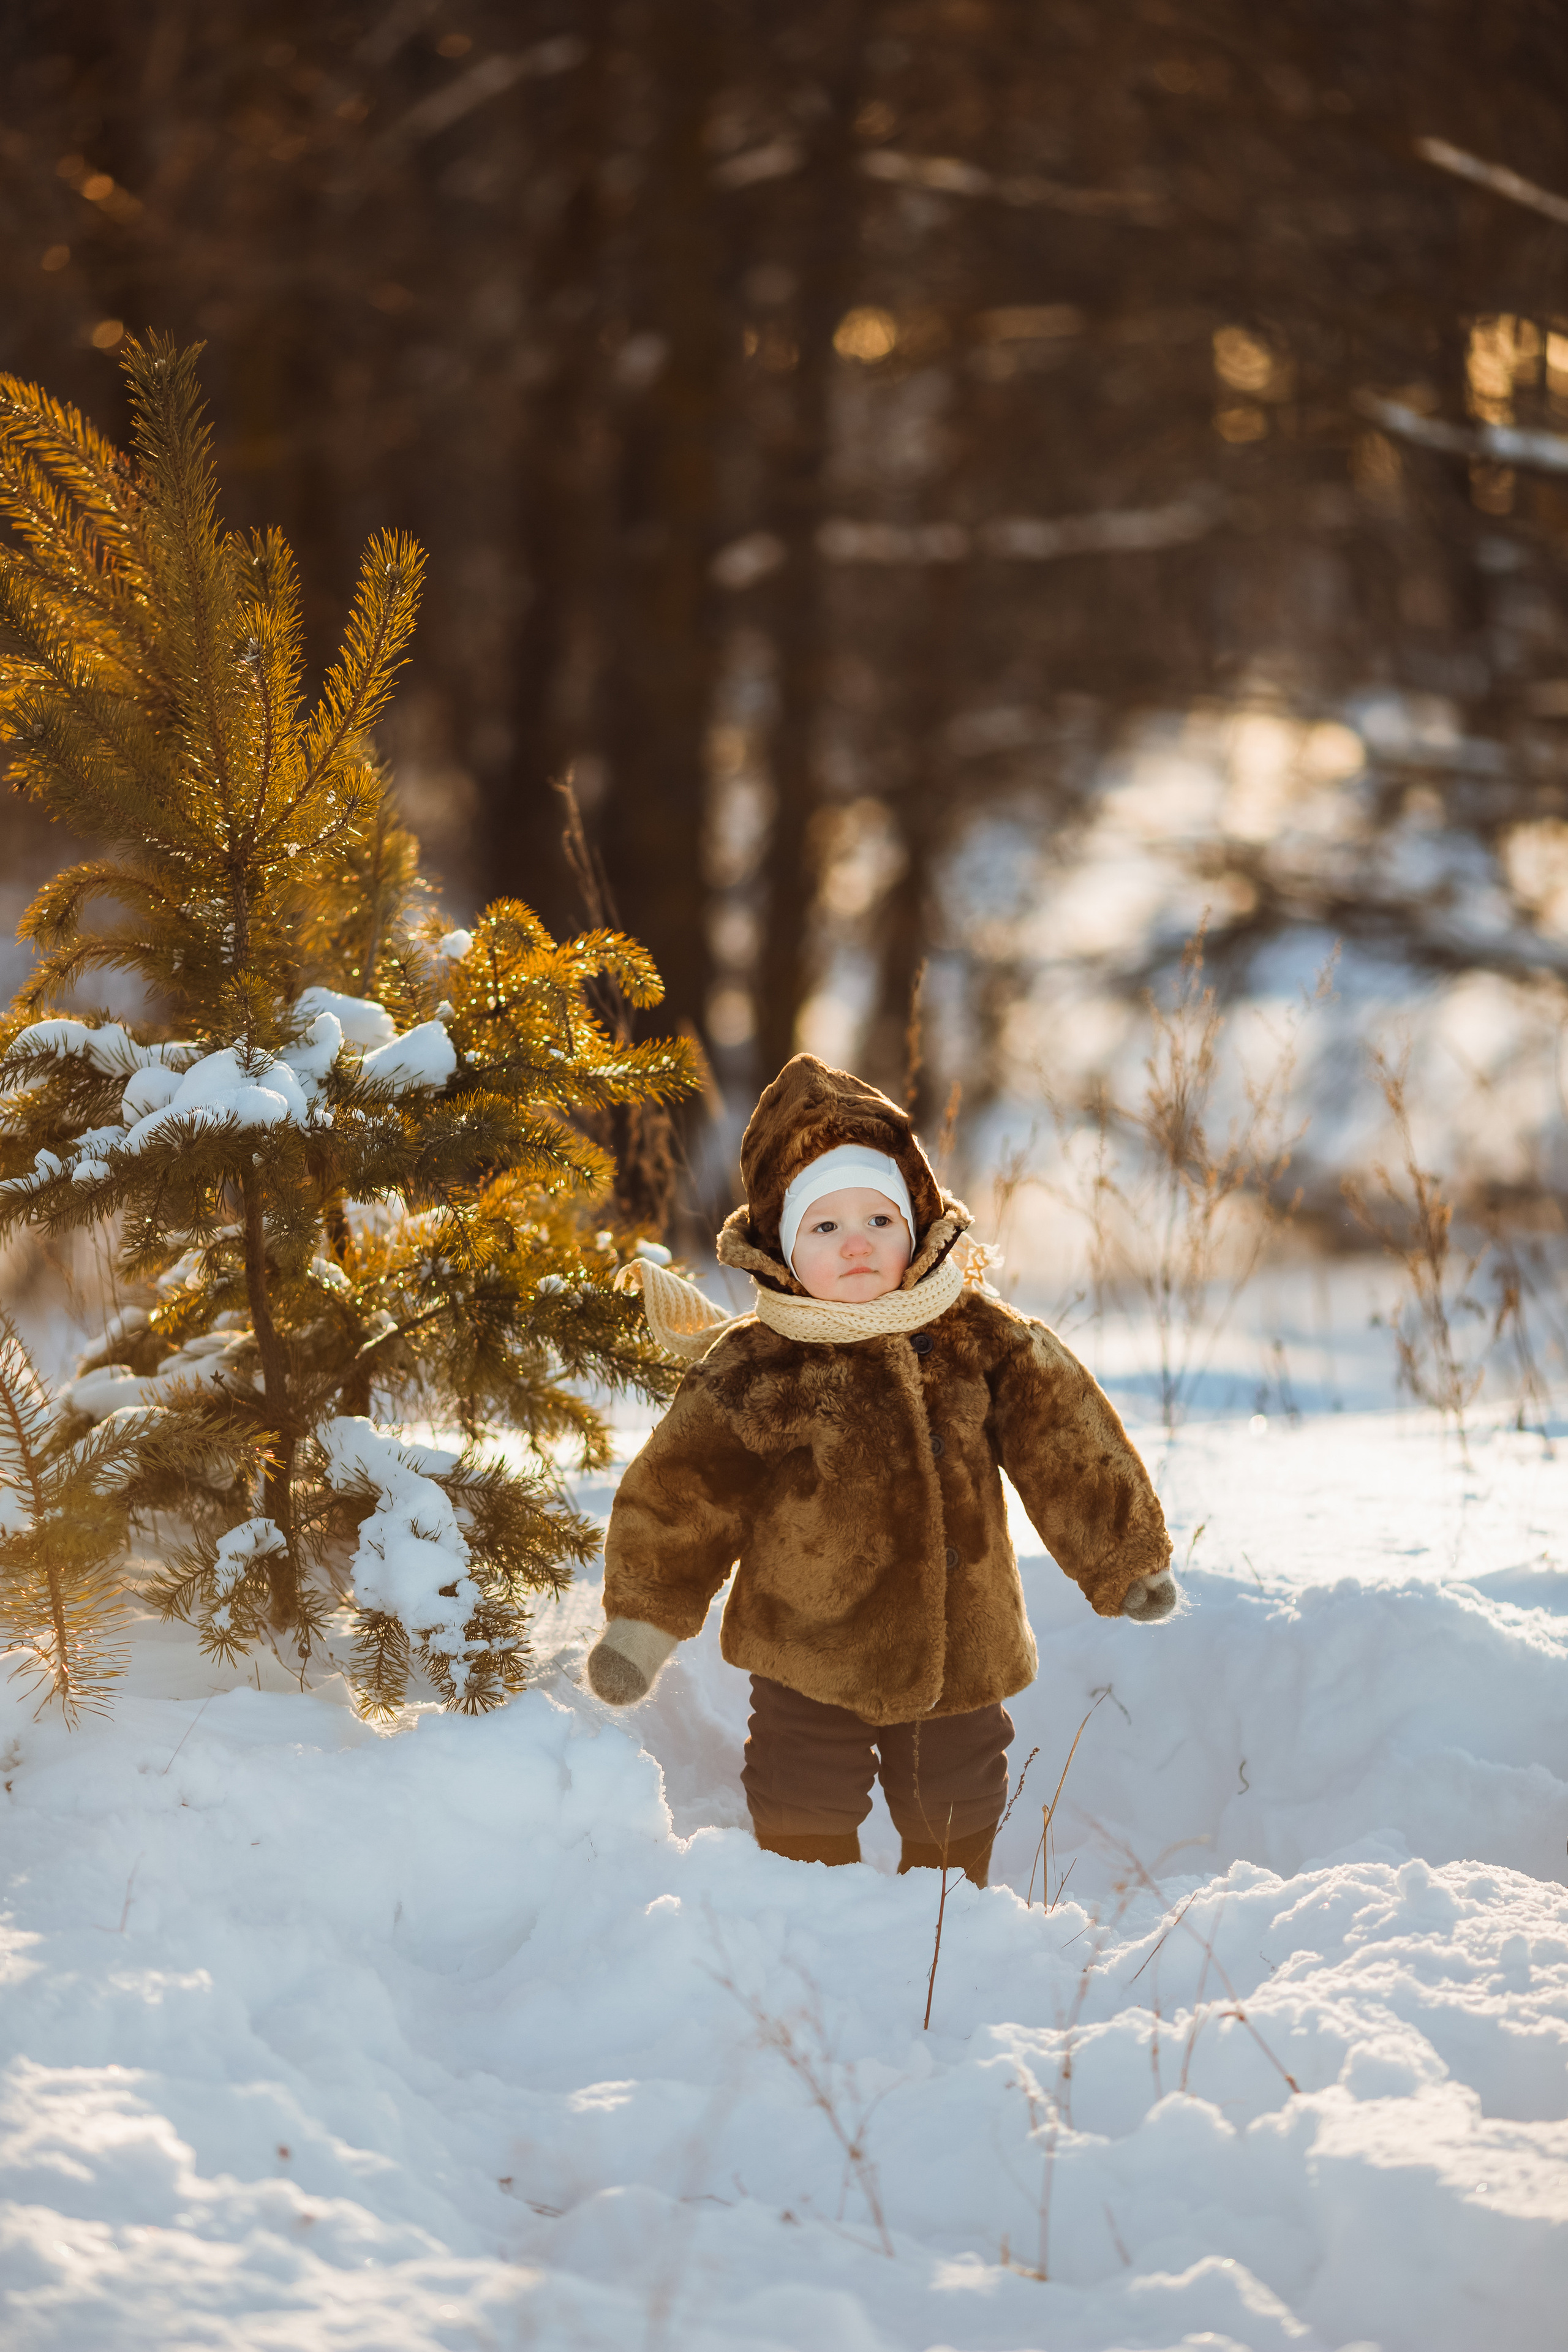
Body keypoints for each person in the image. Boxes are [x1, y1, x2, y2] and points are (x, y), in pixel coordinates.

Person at [586, 1053, 1175, 1886]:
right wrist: (643, 1625)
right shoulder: (758, 1364)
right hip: (809, 1640)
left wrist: (1123, 1557)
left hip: (960, 1632)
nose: (856, 1245)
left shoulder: (982, 1337)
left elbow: (1065, 1440)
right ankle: (807, 1894)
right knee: (801, 1783)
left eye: (879, 1221)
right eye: (825, 1228)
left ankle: (950, 1905)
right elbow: (684, 1491)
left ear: (919, 1223)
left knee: (960, 1786)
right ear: (783, 1249)